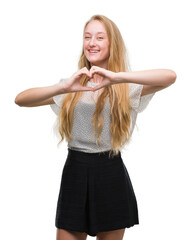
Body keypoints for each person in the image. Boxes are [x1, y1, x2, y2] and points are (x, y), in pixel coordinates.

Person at [15, 14, 176, 240]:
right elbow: (21, 99)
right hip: (75, 171)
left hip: (110, 172)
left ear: (112, 44)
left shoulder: (125, 87)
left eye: (100, 37)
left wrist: (117, 77)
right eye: (87, 37)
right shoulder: (72, 86)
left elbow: (169, 76)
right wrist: (62, 88)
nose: (92, 43)